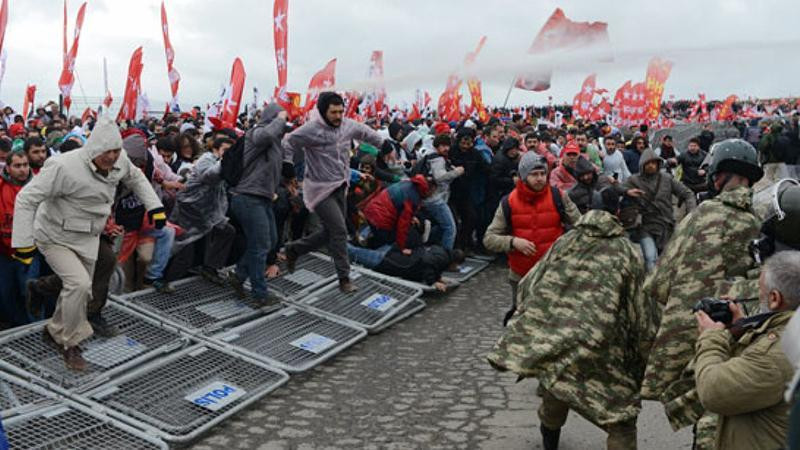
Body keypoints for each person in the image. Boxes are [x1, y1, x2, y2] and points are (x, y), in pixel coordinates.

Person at [487, 188, 658, 450]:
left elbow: (529, 286)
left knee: (557, 391)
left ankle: (550, 443)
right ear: (618, 213)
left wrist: (533, 327)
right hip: (605, 350)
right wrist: (646, 358)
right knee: (621, 420)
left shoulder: (565, 242)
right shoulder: (626, 252)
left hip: (561, 342)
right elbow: (641, 313)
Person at [11, 116, 164, 371]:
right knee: (79, 284)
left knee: (81, 290)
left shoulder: (120, 161)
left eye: (116, 151)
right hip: (55, 235)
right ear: (93, 149)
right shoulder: (62, 166)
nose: (112, 157)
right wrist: (23, 244)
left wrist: (155, 207)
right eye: (107, 152)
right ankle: (70, 343)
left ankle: (53, 331)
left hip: (88, 237)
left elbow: (136, 178)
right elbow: (26, 199)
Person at [640, 139, 764, 448]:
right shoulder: (765, 217)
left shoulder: (704, 214)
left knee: (706, 400)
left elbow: (660, 283)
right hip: (755, 334)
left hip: (703, 332)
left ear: (719, 174)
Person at [694, 250, 799, 450]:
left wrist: (711, 337)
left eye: (760, 295)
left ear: (775, 298)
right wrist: (743, 332)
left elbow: (713, 390)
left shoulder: (777, 354)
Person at [283, 92, 387, 293]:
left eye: (341, 111)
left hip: (340, 185)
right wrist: (287, 163)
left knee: (329, 232)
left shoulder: (347, 125)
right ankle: (344, 278)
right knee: (339, 230)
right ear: (323, 111)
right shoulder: (312, 129)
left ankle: (295, 248)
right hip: (319, 189)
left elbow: (366, 133)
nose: (338, 116)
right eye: (333, 112)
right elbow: (288, 141)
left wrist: (384, 144)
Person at [483, 151, 580, 325]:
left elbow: (581, 225)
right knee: (523, 324)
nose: (540, 178)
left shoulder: (559, 197)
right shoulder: (509, 202)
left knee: (553, 323)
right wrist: (513, 242)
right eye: (534, 174)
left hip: (552, 274)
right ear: (523, 176)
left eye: (543, 173)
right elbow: (489, 238)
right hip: (521, 276)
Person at [226, 103, 288, 303]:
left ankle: (239, 276)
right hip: (247, 197)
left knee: (268, 240)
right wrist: (279, 119)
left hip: (261, 198)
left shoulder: (276, 141)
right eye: (281, 121)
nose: (283, 126)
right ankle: (259, 294)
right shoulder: (257, 133)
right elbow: (266, 136)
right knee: (260, 245)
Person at [170, 136, 237, 284]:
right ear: (215, 149)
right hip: (189, 210)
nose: (227, 154)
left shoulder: (223, 163)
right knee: (183, 248)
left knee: (227, 231)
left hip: (206, 212)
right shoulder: (207, 159)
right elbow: (209, 176)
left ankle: (210, 267)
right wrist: (225, 162)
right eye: (225, 151)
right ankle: (167, 281)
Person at [624, 148, 696, 271]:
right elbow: (618, 190)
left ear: (658, 164)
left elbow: (687, 194)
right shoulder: (633, 180)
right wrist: (626, 191)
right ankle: (651, 287)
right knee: (651, 258)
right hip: (645, 226)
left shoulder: (667, 178)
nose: (651, 165)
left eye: (654, 162)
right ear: (642, 164)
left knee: (668, 261)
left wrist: (691, 214)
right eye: (648, 163)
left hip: (666, 225)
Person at [0, 151, 33, 326]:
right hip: (4, 253)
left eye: (25, 165)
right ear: (8, 167)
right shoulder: (1, 187)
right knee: (6, 294)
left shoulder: (38, 187)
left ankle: (33, 331)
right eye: (17, 166)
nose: (22, 170)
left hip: (30, 253)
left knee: (29, 293)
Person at [347, 243, 465, 292]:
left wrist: (437, 277)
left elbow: (432, 263)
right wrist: (433, 281)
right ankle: (332, 239)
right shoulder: (442, 259)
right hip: (388, 262)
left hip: (393, 257)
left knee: (356, 252)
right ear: (454, 262)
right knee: (352, 251)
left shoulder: (442, 251)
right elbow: (428, 262)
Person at [417, 133, 464, 250]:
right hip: (435, 200)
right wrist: (457, 171)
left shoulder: (436, 158)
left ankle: (431, 248)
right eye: (443, 146)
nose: (446, 148)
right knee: (450, 227)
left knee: (440, 226)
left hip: (431, 199)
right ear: (436, 146)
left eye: (448, 145)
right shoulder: (437, 159)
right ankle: (445, 256)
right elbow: (440, 177)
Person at [362, 175, 431, 250]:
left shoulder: (407, 183)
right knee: (386, 242)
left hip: (372, 210)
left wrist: (410, 216)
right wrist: (402, 247)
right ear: (427, 190)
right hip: (381, 221)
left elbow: (398, 205)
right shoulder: (413, 198)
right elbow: (403, 225)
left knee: (378, 234)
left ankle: (364, 241)